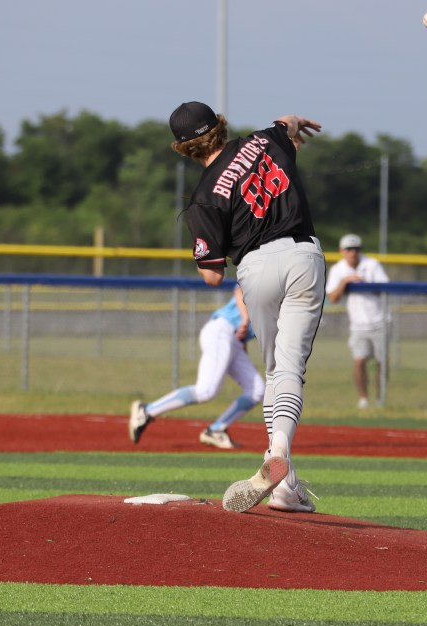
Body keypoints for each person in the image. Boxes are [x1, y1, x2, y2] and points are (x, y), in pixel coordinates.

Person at [165, 100, 325, 513]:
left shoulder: (203, 199)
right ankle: (281, 462)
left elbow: (212, 275)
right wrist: (296, 124)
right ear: (219, 124)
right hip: (303, 256)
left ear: (183, 148)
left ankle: (284, 481)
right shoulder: (265, 139)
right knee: (289, 370)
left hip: (256, 267)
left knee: (275, 371)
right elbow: (287, 121)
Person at [128, 285, 264, 450]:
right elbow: (240, 289)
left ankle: (215, 430)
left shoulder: (283, 304)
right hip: (222, 331)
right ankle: (146, 411)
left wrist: (244, 351)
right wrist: (245, 318)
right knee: (206, 391)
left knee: (257, 389)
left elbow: (245, 334)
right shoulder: (274, 277)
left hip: (235, 342)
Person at [325, 233, 390, 408]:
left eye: (356, 249)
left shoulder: (372, 265)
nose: (353, 252)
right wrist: (345, 281)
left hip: (380, 321)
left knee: (382, 363)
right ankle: (363, 399)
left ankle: (380, 399)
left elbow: (384, 289)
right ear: (341, 251)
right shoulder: (338, 270)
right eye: (349, 249)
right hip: (358, 324)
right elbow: (333, 298)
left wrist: (364, 282)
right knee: (359, 361)